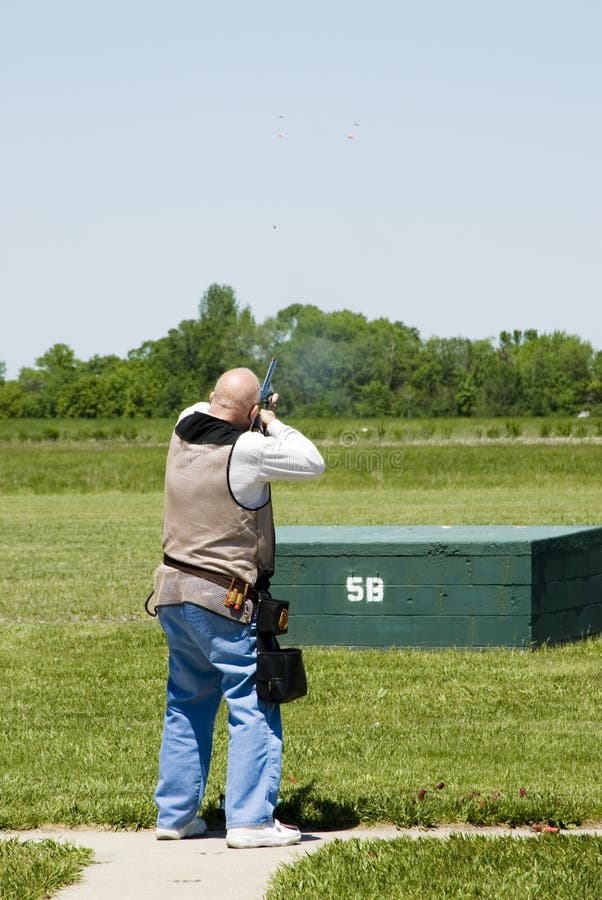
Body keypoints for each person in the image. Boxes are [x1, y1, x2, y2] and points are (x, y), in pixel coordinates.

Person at [151, 367, 325, 848]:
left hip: (171, 592)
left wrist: (249, 410)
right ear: (250, 412)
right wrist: (270, 421)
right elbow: (312, 462)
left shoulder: (183, 424)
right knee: (254, 701)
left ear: (211, 398)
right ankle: (250, 821)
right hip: (222, 597)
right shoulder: (248, 448)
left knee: (186, 703)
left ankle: (176, 815)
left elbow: (212, 413)